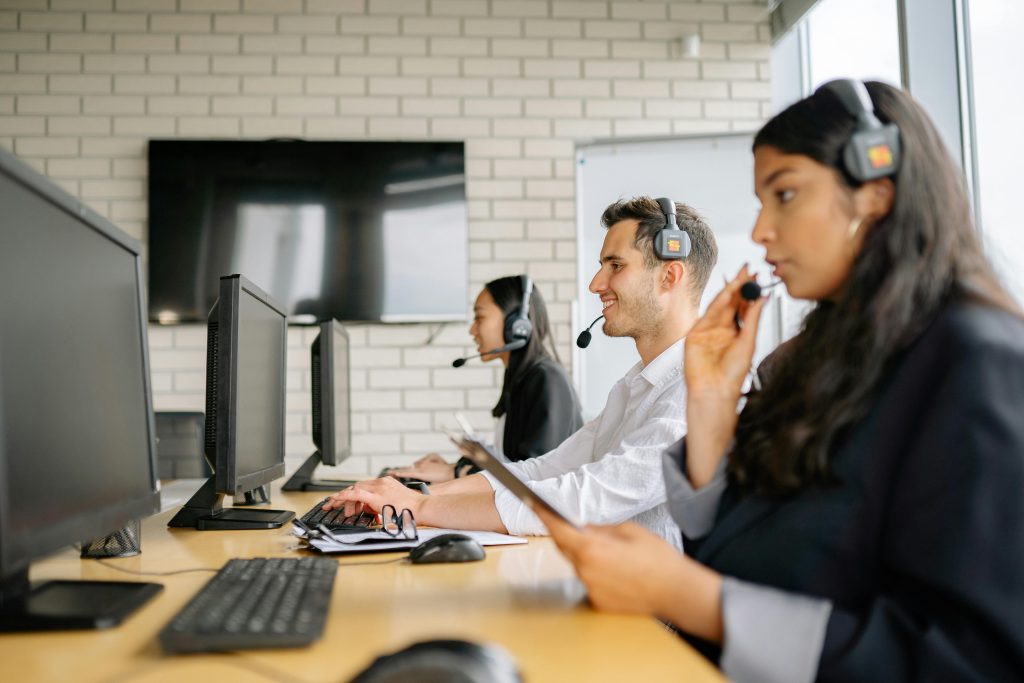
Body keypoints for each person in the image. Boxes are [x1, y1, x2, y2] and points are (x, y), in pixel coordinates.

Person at [536, 79, 1024, 682]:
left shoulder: (979, 363)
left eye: (785, 194)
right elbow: (754, 558)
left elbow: (967, 662)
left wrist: (695, 601)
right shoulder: (813, 363)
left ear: (876, 190)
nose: (762, 229)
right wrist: (711, 402)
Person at [324, 197, 719, 546]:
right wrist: (419, 494)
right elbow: (543, 468)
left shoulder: (695, 390)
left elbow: (586, 498)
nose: (596, 283)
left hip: (653, 620)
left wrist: (421, 506)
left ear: (670, 275)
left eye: (615, 265)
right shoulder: (635, 386)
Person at [386, 275, 582, 483]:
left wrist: (456, 474)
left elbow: (535, 480)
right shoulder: (523, 378)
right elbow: (512, 464)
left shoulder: (546, 380)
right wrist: (457, 466)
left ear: (516, 325)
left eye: (479, 318)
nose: (472, 329)